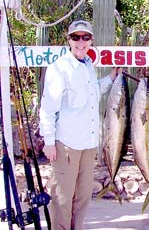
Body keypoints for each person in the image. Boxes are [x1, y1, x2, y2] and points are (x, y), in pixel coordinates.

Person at [39, 20, 118, 230]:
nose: (81, 42)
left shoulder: (88, 66)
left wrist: (111, 78)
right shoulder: (59, 68)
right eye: (76, 37)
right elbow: (47, 108)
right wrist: (49, 142)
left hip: (88, 144)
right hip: (67, 145)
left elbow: (93, 94)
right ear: (69, 40)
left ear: (91, 40)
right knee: (62, 199)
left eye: (85, 37)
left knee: (82, 199)